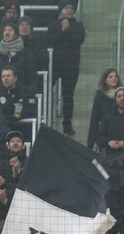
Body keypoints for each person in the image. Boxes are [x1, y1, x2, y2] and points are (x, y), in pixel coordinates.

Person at [46, 1, 84, 136]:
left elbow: (79, 40)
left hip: (72, 65)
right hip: (55, 65)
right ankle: (44, 119)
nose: (69, 10)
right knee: (46, 91)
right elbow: (50, 41)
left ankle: (67, 125)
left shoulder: (78, 26)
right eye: (66, 8)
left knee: (68, 96)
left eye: (71, 8)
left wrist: (68, 30)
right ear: (60, 10)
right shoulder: (53, 25)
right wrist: (62, 32)